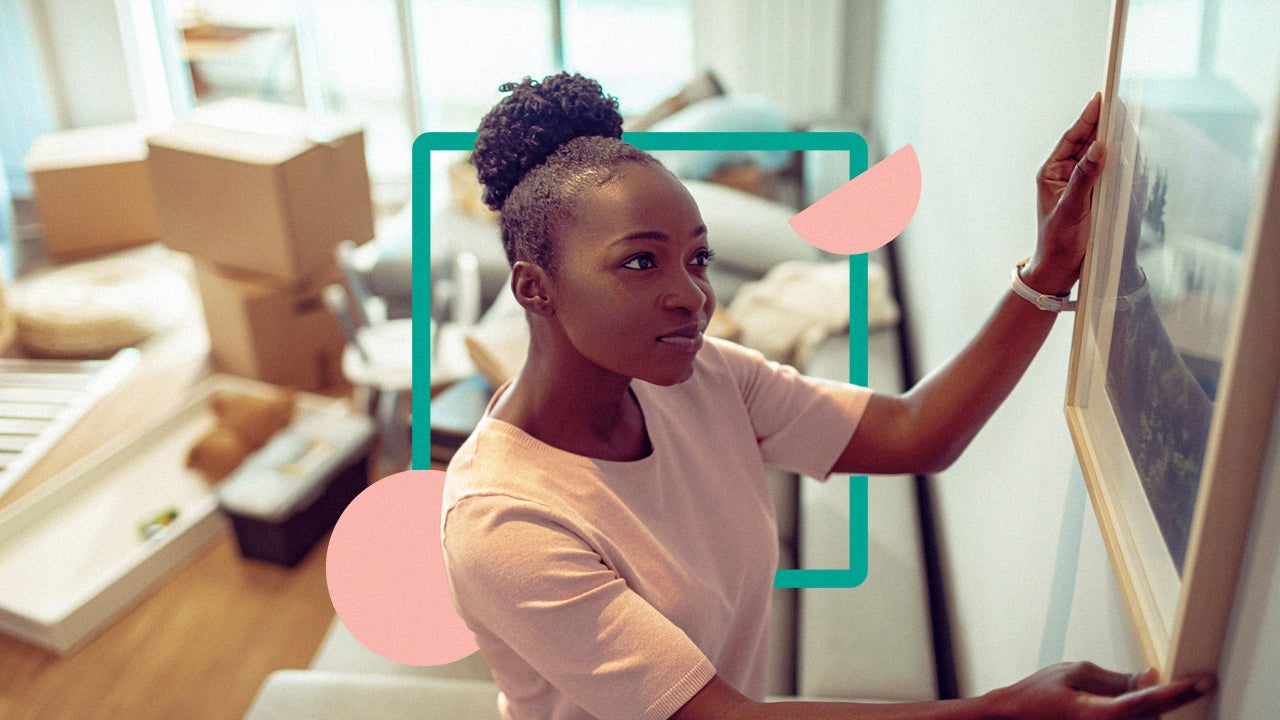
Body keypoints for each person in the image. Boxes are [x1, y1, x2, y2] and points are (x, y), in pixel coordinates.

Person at [440, 72, 1214, 720]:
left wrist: (1050, 270)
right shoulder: (504, 521)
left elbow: (917, 433)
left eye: (698, 258)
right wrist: (1000, 712)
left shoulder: (704, 377)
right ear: (534, 288)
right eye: (641, 263)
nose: (692, 297)